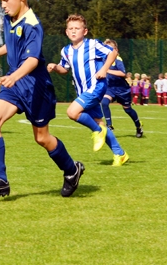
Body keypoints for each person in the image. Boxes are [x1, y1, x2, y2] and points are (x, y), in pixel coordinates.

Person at [0, 0, 84, 197]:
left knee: (42, 138)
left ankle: (71, 169)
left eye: (6, 0)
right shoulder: (9, 19)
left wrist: (15, 76)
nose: (3, 6)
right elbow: (13, 45)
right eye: (1, 1)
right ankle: (0, 180)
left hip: (36, 87)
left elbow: (33, 59)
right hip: (16, 84)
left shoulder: (33, 24)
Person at [48, 16, 131, 167]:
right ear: (66, 32)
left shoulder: (92, 44)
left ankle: (97, 131)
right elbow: (64, 69)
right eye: (71, 29)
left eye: (77, 28)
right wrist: (55, 67)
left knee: (72, 112)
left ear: (84, 31)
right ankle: (120, 154)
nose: (73, 31)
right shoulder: (66, 51)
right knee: (99, 123)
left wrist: (104, 69)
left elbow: (112, 53)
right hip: (83, 92)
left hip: (96, 87)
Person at [100, 39, 143, 138]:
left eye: (111, 49)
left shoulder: (118, 59)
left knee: (128, 110)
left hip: (122, 90)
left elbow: (122, 73)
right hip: (110, 88)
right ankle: (109, 125)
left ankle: (138, 126)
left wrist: (107, 70)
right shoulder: (103, 59)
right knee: (104, 102)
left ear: (116, 50)